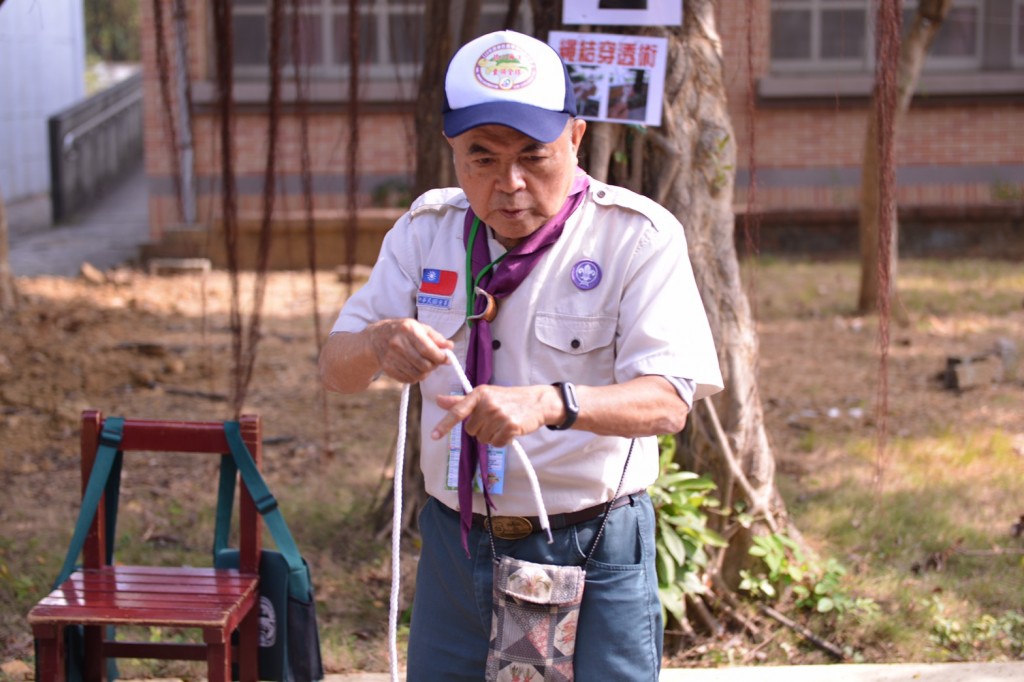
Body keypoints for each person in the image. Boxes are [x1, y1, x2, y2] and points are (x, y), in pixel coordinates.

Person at [319, 29, 723, 681]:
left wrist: (551, 403)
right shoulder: (426, 232)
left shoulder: (635, 238)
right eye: (481, 158)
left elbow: (669, 401)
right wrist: (376, 343)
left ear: (576, 138)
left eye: (534, 156)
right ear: (453, 150)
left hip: (591, 543)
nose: (509, 184)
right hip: (458, 541)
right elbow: (334, 371)